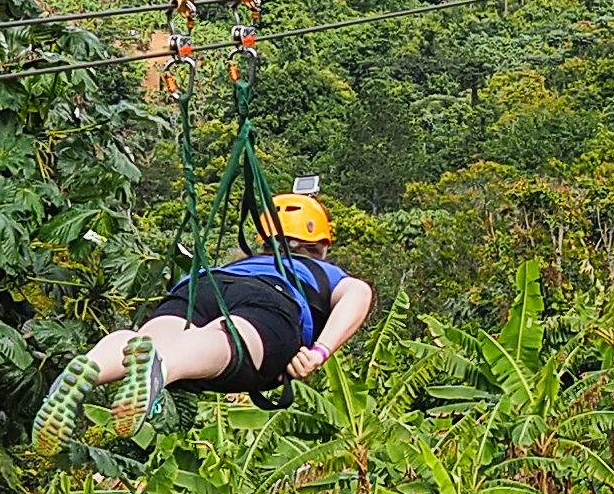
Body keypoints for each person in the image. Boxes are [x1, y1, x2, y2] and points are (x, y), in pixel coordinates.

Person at [33, 184, 375, 451]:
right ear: (320, 244)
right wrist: (319, 352)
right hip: (273, 297)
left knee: (147, 340)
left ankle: (89, 368)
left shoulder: (240, 261)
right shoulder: (321, 272)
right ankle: (162, 370)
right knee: (226, 338)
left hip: (206, 282)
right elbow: (359, 294)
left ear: (264, 240)